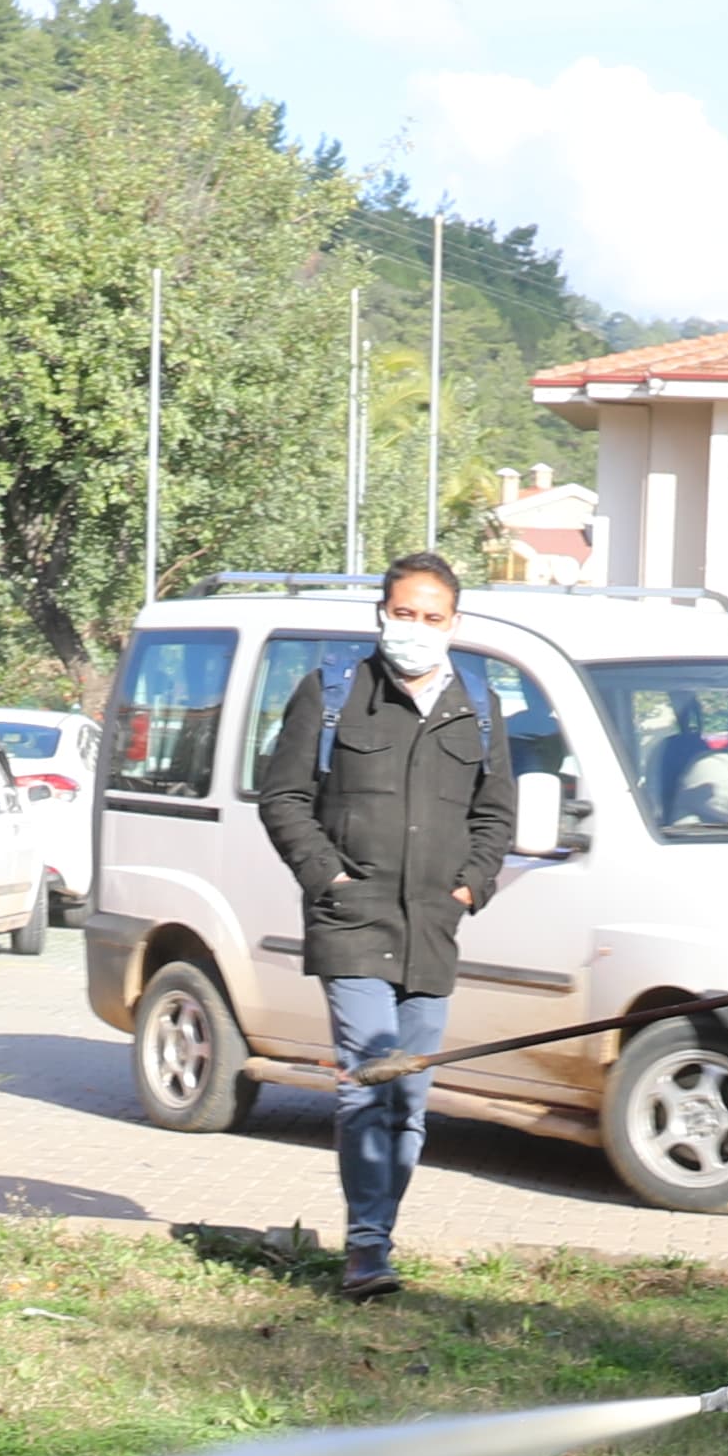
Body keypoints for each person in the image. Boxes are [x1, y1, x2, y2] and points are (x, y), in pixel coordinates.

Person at [246, 552, 516, 1301]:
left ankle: (379, 1236)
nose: (417, 630)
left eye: (433, 618)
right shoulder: (332, 694)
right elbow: (284, 798)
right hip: (353, 922)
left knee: (410, 1098)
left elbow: (496, 814)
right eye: (405, 614)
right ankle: (367, 1251)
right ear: (381, 614)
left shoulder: (481, 706)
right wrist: (326, 876)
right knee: (368, 1079)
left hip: (433, 926)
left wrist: (471, 886)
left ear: (454, 624)